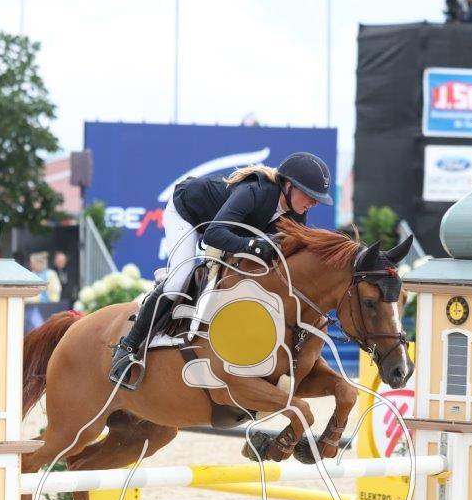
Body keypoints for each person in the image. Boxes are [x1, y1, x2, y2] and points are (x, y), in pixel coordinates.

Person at [108, 151, 334, 389]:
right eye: (309, 194)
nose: (314, 202)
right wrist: (254, 246)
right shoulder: (255, 191)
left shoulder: (297, 215)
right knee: (179, 281)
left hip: (226, 230)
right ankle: (128, 346)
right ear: (287, 185)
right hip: (188, 214)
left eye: (317, 198)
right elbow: (214, 234)